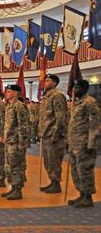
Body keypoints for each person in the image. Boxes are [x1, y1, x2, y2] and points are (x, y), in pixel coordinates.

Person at [67, 80, 100, 208]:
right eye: (74, 87)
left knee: (85, 170)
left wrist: (91, 144)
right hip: (75, 143)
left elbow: (95, 125)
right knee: (76, 170)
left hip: (85, 143)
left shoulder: (90, 102)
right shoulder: (77, 103)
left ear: (84, 89)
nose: (75, 89)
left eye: (77, 87)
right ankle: (81, 194)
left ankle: (88, 197)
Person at [38, 74, 68, 194]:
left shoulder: (57, 96)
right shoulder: (46, 97)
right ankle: (52, 182)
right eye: (45, 80)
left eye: (48, 80)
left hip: (53, 135)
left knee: (54, 160)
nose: (46, 82)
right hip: (46, 134)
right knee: (48, 161)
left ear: (55, 83)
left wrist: (56, 134)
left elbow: (61, 117)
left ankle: (56, 184)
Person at [1, 85, 29, 200]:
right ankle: (13, 187)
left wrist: (22, 142)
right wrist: (4, 136)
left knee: (17, 165)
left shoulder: (20, 106)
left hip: (16, 141)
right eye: (6, 91)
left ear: (16, 93)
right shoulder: (9, 106)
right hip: (9, 141)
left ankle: (18, 190)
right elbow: (7, 124)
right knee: (9, 165)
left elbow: (23, 125)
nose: (7, 93)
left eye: (9, 91)